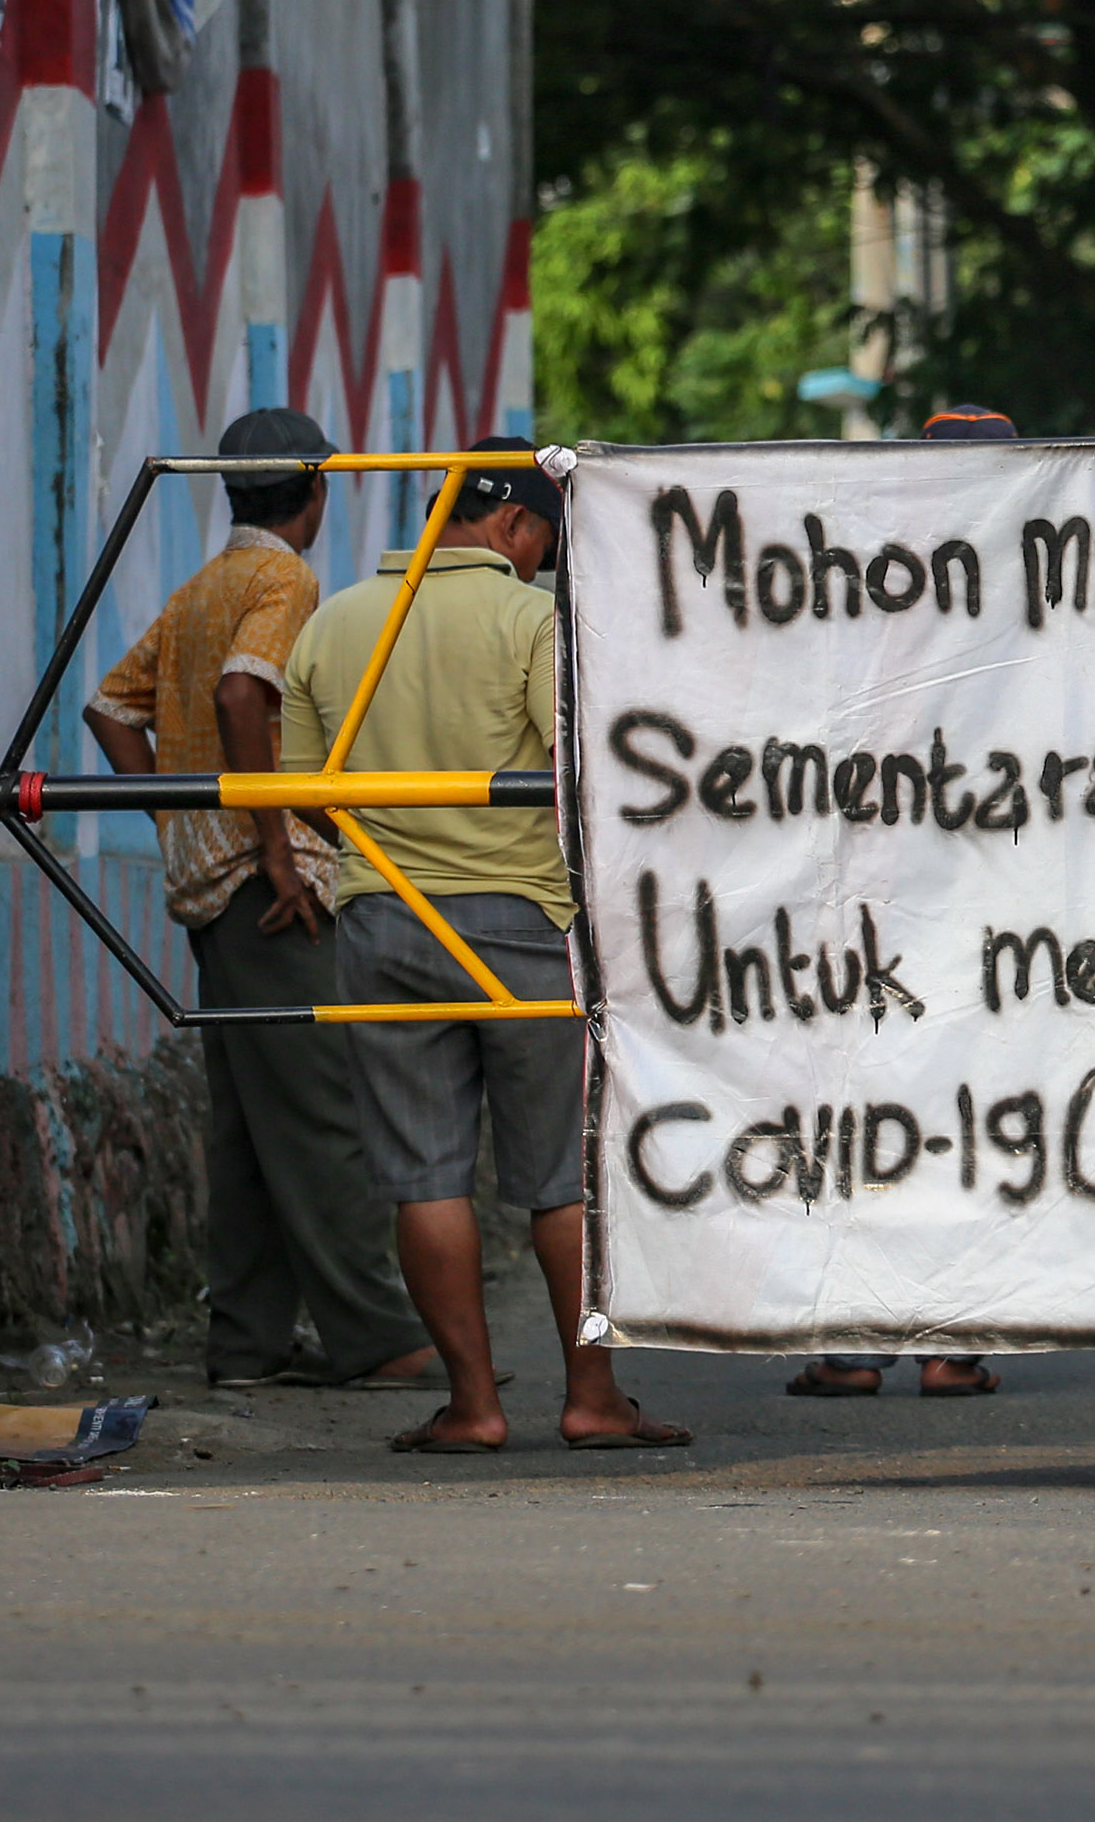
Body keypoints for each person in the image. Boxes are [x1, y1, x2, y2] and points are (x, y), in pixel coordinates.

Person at [282, 435, 690, 1455]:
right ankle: (592, 1400)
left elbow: (303, 791)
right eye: (544, 541)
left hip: (383, 920)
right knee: (558, 1175)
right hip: (522, 925)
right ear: (512, 522)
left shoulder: (333, 624)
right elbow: (578, 774)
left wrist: (395, 848)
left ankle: (473, 1407)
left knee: (425, 1176)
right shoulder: (530, 620)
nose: (542, 561)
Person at [83, 407, 437, 1393]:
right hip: (270, 890)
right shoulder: (285, 580)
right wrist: (272, 847)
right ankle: (377, 1335)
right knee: (323, 1114)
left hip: (212, 888)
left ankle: (247, 1342)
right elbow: (245, 695)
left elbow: (110, 708)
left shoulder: (205, 586)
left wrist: (179, 821)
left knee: (248, 1126)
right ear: (316, 491)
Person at [790, 403, 1018, 1405]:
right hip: (998, 894)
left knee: (866, 1103)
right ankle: (951, 1343)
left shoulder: (854, 579)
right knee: (978, 1108)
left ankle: (854, 1342)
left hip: (875, 884)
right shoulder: (1047, 578)